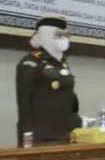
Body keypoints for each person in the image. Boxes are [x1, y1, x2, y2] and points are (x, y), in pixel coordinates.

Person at [15, 17, 76, 146]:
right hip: (40, 136)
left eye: (66, 35)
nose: (64, 39)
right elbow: (24, 101)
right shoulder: (30, 63)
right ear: (46, 36)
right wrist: (26, 134)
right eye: (59, 35)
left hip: (64, 133)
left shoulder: (62, 63)